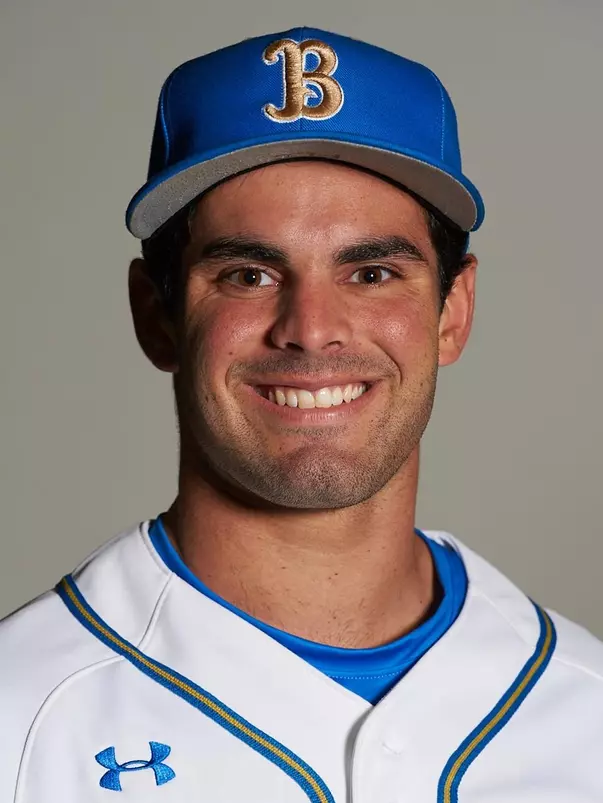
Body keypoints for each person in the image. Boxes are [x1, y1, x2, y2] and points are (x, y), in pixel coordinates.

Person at [1, 26, 602, 803]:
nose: (310, 327)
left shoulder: (583, 710)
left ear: (453, 312)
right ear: (155, 315)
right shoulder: (20, 716)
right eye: (248, 273)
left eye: (372, 271)